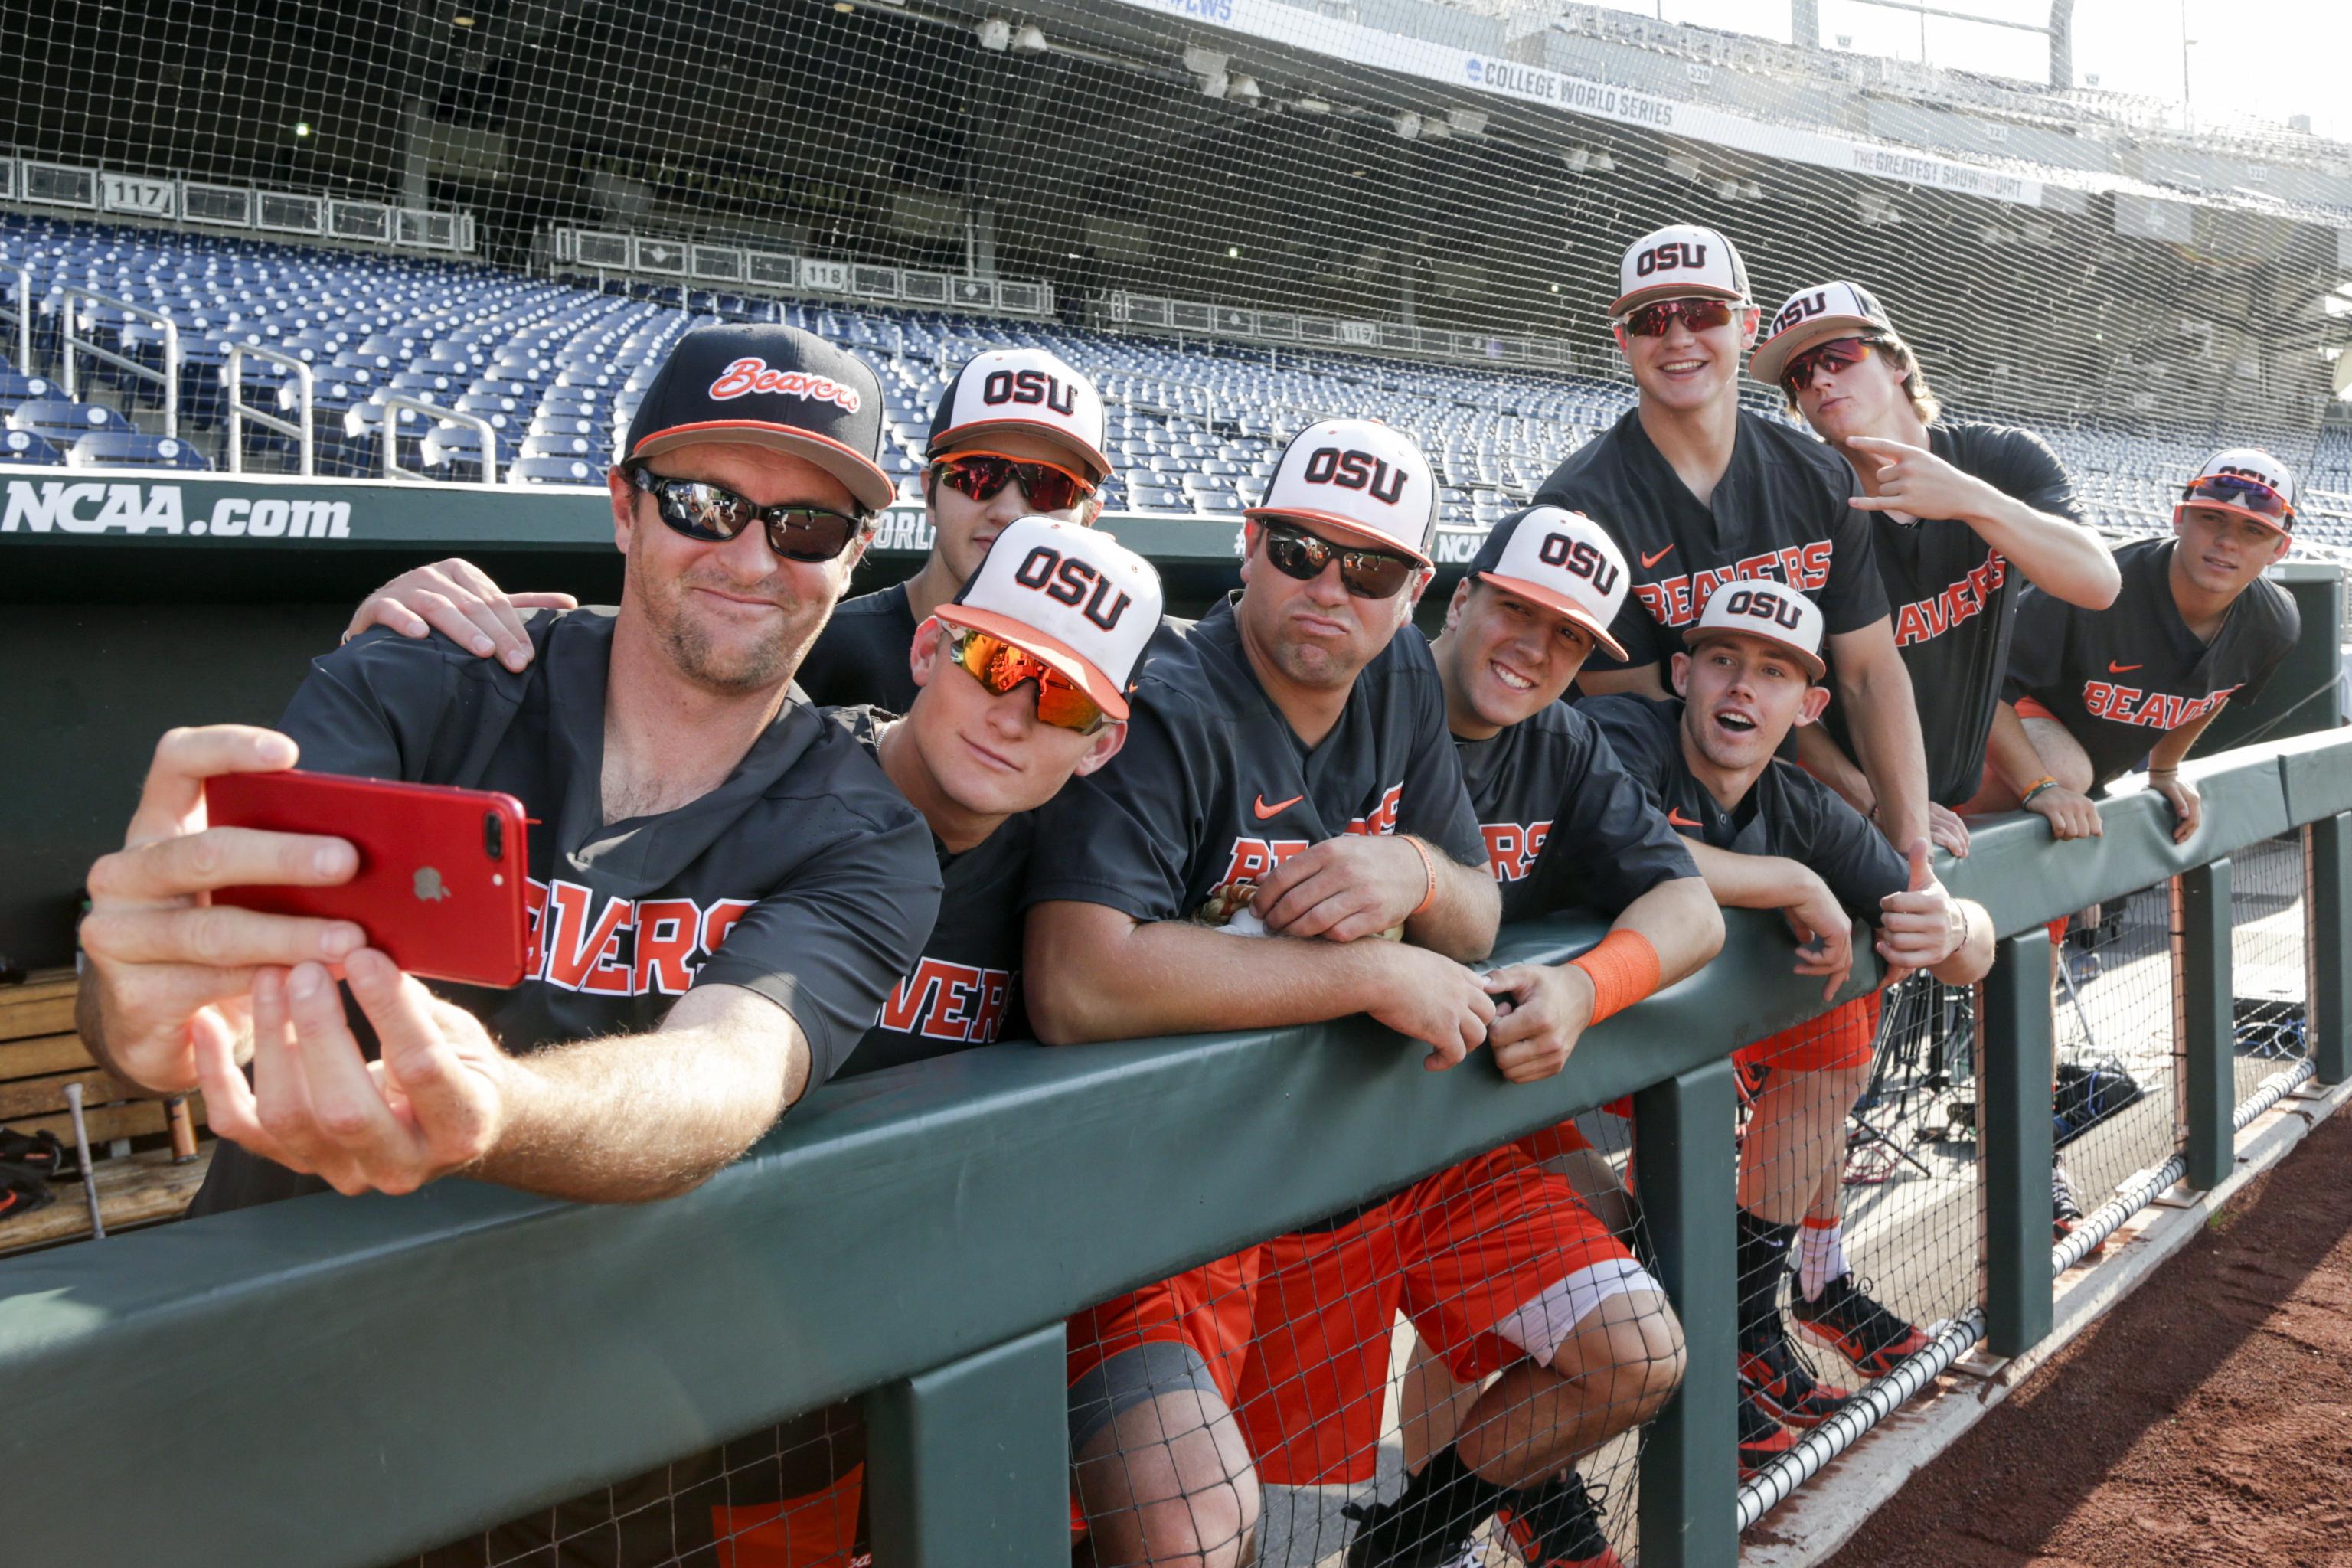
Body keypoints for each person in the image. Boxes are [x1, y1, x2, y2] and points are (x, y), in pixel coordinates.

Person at [75, 320, 943, 1212]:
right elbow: (192, 988)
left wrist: (498, 1106)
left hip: (579, 1329)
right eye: (704, 502)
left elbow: (731, 1068)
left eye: (808, 526)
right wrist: (140, 1009)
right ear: (623, 508)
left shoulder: (866, 835)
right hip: (273, 1284)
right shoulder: (412, 688)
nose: (753, 557)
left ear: (852, 556)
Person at [1023, 421, 1685, 1568]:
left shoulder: (1400, 689)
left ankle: (1415, 1545)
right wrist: (1375, 967)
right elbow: (1075, 979)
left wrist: (1418, 872)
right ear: (1248, 542)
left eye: (1370, 568)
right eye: (1299, 549)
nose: (1330, 587)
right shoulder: (1168, 701)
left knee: (1631, 1353)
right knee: (1192, 1527)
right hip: (1186, 1185)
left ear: (1413, 590)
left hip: (1380, 1148)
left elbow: (1477, 912)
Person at [1379, 503, 1727, 1566]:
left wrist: (1585, 990)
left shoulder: (1560, 739)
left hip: (1446, 1142)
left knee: (1634, 1351)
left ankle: (1416, 1540)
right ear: (1462, 592)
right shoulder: (1363, 690)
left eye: (1570, 635)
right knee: (1203, 1501)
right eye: (1520, 611)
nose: (1537, 650)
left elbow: (1692, 910)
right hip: (1290, 1159)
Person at [1583, 578, 1994, 1476]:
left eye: (1773, 673)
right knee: (1586, 1263)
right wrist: (1793, 884)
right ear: (1682, 674)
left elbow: (1961, 945)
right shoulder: (1625, 734)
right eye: (1723, 661)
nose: (1742, 687)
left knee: (1625, 1274)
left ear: (1807, 704)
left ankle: (1730, 1334)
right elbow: (1612, 833)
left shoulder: (1799, 801)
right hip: (1506, 1039)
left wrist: (1957, 925)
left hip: (1611, 1041)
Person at [344, 346, 1118, 715]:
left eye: (1052, 485)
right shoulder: (808, 648)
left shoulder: (1128, 680)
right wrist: (395, 661)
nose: (1012, 509)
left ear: (1094, 513)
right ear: (930, 489)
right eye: (979, 474)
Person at [1976, 445, 2302, 1240]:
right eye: (2211, 519)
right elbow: (1983, 687)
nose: (2226, 541)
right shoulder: (2102, 582)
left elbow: (2211, 691)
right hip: (1975, 760)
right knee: (2066, 764)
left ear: (2280, 548)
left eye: (2251, 530)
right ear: (2178, 515)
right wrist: (2045, 787)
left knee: (2028, 969)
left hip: (2053, 807)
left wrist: (2165, 766)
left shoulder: (2272, 620)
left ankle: (2025, 1159)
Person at [1532, 226, 1932, 859]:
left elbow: (1870, 675)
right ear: (1622, 342)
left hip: (1784, 803)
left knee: (1940, 933)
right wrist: (1822, 826)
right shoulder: (1579, 509)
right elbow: (1654, 719)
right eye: (1651, 319)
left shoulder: (1821, 477)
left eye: (1704, 313)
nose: (1678, 337)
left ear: (1747, 329)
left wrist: (1911, 844)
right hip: (1648, 831)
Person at [1748, 279, 2120, 856]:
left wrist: (1971, 499)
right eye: (1799, 376)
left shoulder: (1998, 459)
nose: (1820, 379)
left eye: (1839, 357)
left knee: (2065, 775)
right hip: (1836, 807)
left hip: (1954, 790)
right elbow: (1772, 694)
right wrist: (1877, 801)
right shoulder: (1796, 513)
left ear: (1896, 362)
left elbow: (2098, 584)